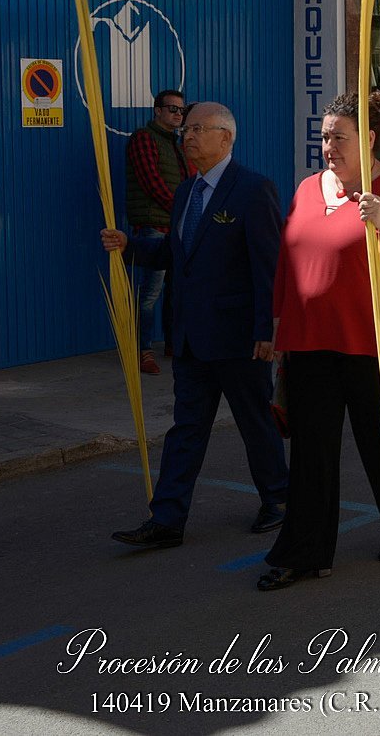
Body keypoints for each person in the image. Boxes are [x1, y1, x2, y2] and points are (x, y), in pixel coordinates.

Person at [258, 92, 380, 590]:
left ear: (369, 140)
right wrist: (276, 328)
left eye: (340, 137)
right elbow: (288, 261)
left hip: (374, 340)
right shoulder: (306, 188)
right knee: (311, 451)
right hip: (310, 341)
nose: (329, 146)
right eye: (324, 136)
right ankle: (305, 552)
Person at [102, 102, 288, 549]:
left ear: (226, 137)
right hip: (191, 339)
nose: (187, 136)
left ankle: (279, 499)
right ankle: (167, 519)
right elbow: (176, 254)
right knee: (185, 430)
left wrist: (269, 329)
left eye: (198, 129)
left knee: (254, 422)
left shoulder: (252, 189)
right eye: (186, 129)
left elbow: (269, 267)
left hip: (239, 337)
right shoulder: (187, 191)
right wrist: (131, 246)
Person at [124, 89, 189, 375]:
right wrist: (181, 209)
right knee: (150, 293)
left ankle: (173, 344)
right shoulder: (144, 138)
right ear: (157, 111)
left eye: (181, 110)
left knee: (176, 290)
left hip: (175, 227)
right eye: (172, 109)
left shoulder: (177, 144)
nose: (177, 114)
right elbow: (151, 181)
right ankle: (143, 350)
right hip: (153, 226)